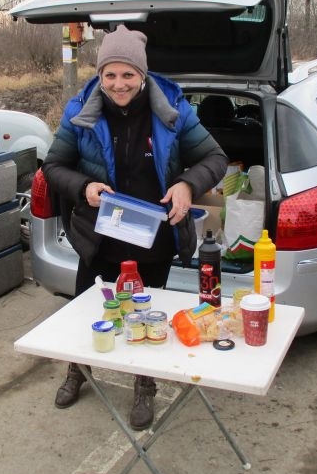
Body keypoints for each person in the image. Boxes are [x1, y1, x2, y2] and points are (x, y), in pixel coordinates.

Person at [41, 24, 228, 430]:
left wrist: (187, 184)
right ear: (100, 74)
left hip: (153, 239)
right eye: (110, 74)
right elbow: (53, 166)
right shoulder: (80, 112)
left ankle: (145, 383)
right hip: (100, 236)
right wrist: (84, 186)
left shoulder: (172, 110)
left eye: (128, 74)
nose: (119, 84)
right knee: (90, 309)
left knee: (148, 315)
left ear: (142, 74)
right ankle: (78, 369)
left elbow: (215, 158)